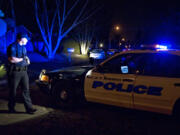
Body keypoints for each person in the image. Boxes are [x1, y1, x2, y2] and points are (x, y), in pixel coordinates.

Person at [7, 33, 37, 114]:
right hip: (15, 72)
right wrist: (22, 59)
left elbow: (25, 57)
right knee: (13, 91)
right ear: (21, 38)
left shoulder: (24, 48)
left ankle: (29, 108)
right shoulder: (12, 46)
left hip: (24, 72)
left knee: (26, 90)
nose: (27, 41)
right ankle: (11, 108)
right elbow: (12, 59)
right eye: (26, 39)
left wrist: (27, 60)